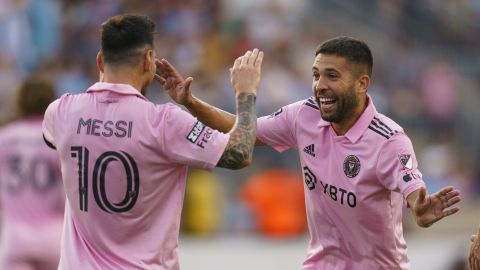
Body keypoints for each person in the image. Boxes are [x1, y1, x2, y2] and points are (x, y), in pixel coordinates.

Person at [155, 36, 462, 269]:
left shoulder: (389, 140)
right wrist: (191, 102)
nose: (319, 85)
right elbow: (242, 130)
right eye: (316, 75)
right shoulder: (304, 115)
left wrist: (421, 210)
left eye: (332, 76)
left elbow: (414, 193)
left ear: (362, 84)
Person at [42, 14, 263, 269]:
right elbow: (240, 153)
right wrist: (246, 93)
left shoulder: (61, 111)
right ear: (149, 60)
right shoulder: (166, 122)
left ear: (100, 60)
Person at [0, 76, 64, 270]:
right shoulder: (58, 139)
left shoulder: (4, 137)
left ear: (19, 102)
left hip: (15, 237)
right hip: (52, 237)